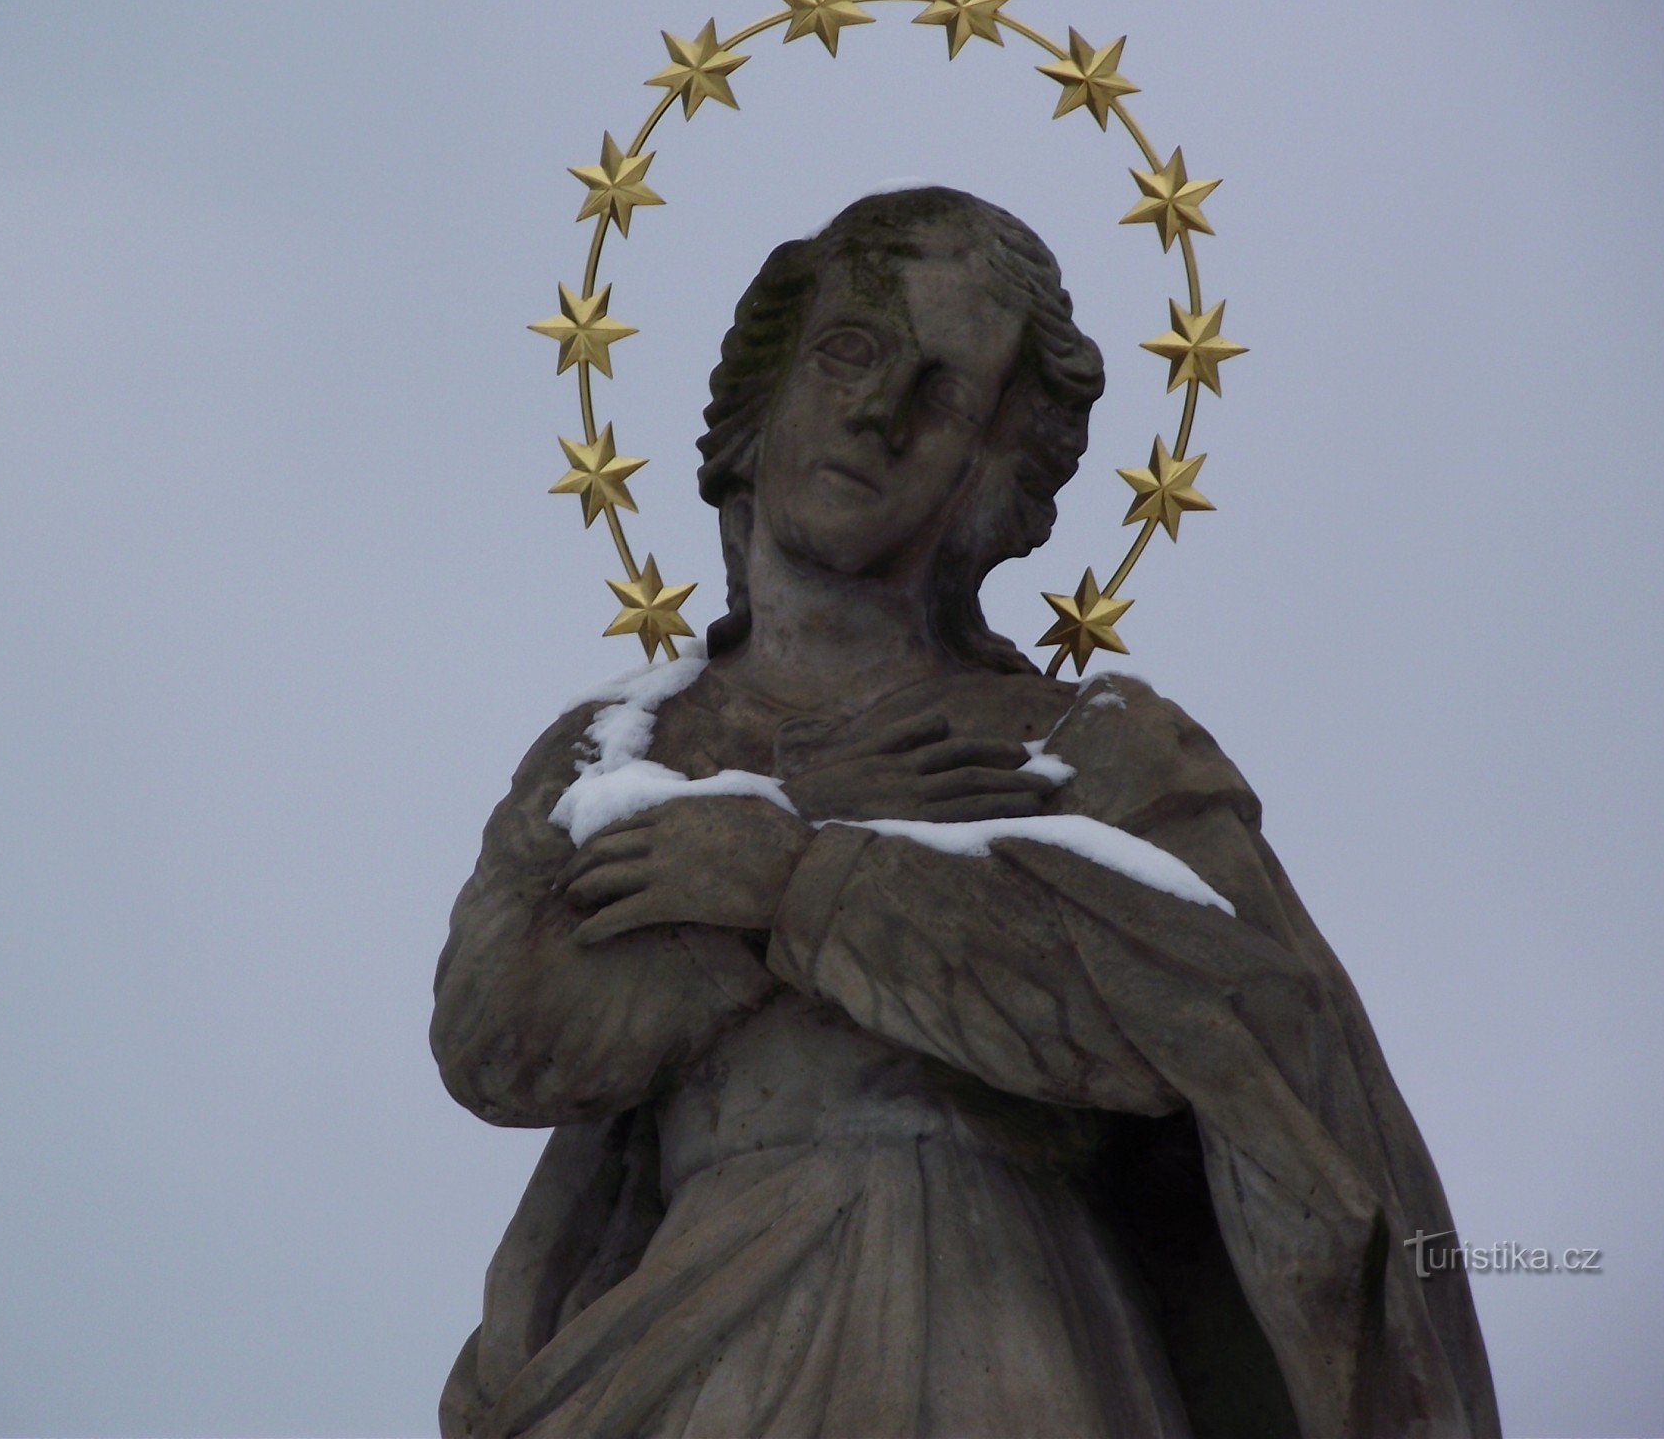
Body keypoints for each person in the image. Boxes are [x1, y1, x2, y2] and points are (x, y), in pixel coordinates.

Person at [432, 187, 1499, 1438]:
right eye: (850, 351)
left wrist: (802, 883)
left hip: (998, 1318)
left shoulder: (1085, 748)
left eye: (943, 397)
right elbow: (499, 1045)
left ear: (995, 478)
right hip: (682, 1337)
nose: (879, 415)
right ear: (760, 395)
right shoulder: (620, 744)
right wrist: (788, 836)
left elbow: (1243, 1028)